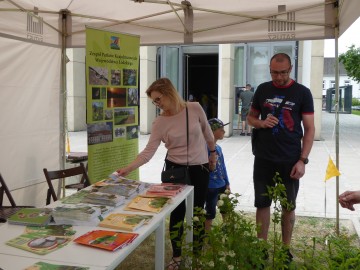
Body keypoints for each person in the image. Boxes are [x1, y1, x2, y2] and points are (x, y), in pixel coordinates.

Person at [115, 78, 217, 270]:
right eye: (154, 101)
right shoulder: (159, 122)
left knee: (197, 212)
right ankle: (177, 256)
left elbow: (208, 133)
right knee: (177, 213)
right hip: (175, 171)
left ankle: (197, 257)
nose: (157, 104)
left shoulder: (194, 108)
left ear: (169, 92)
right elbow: (148, 152)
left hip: (200, 168)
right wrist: (128, 169)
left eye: (158, 99)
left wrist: (213, 154)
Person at [247, 53, 315, 262]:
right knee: (262, 203)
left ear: (291, 68)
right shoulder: (262, 89)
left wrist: (302, 160)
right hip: (264, 157)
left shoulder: (302, 93)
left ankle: (285, 249)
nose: (278, 77)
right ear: (270, 69)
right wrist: (260, 123)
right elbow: (250, 117)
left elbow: (310, 129)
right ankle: (261, 248)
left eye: (283, 72)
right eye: (274, 72)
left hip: (289, 158)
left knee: (288, 206)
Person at [205, 118, 231, 231]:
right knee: (210, 212)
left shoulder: (219, 148)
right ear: (212, 131)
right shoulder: (205, 148)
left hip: (221, 184)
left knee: (226, 208)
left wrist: (227, 183)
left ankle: (227, 229)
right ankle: (207, 234)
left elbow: (223, 167)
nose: (224, 132)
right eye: (221, 129)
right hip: (211, 186)